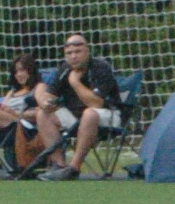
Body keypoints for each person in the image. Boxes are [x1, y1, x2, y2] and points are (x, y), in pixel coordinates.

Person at [30, 34, 119, 179]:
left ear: (87, 51)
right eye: (69, 53)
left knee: (89, 113)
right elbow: (50, 95)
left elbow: (96, 103)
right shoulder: (64, 69)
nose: (73, 56)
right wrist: (45, 103)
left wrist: (75, 82)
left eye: (78, 52)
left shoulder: (101, 68)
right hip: (76, 118)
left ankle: (73, 168)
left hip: (108, 115)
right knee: (42, 113)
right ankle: (59, 165)